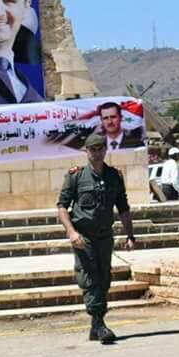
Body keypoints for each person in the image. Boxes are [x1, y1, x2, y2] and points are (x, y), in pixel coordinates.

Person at [57, 133, 136, 344]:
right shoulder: (75, 176)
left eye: (101, 148)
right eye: (93, 149)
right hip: (84, 236)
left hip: (104, 236)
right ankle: (100, 324)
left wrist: (130, 234)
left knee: (104, 278)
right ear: (86, 151)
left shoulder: (114, 176)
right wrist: (72, 233)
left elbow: (123, 207)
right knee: (89, 277)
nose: (98, 152)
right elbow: (62, 206)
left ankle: (95, 326)